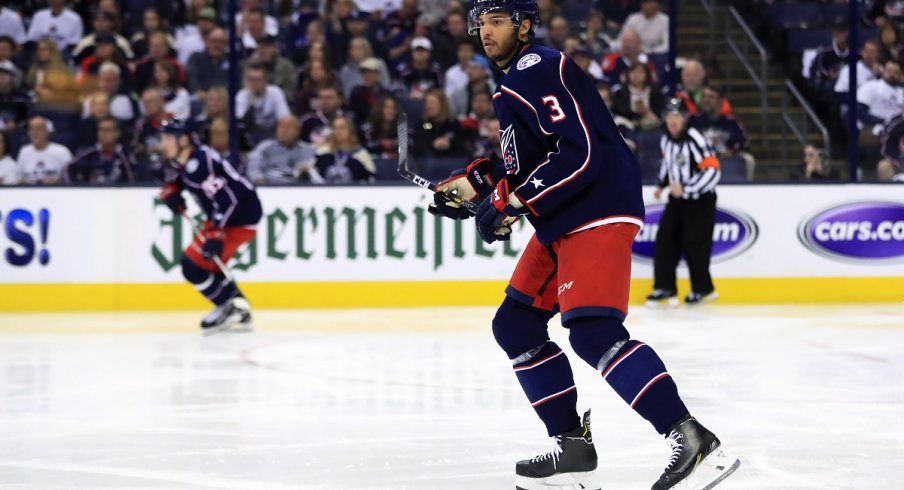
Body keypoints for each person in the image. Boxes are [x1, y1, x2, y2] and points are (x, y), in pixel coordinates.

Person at [429, 2, 738, 489]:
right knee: (516, 324)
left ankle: (692, 439)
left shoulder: (536, 66)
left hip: (595, 208)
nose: (485, 32)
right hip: (565, 217)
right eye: (480, 24)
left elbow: (580, 152)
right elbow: (530, 158)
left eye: (496, 21)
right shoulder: (515, 82)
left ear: (524, 25)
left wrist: (512, 202)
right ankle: (572, 444)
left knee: (593, 331)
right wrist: (477, 185)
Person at [157, 118, 262, 334]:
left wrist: (216, 231)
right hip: (228, 217)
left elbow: (229, 198)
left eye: (167, 138)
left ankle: (229, 307)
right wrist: (172, 190)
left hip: (241, 216)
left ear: (183, 140)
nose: (163, 143)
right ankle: (236, 307)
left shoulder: (201, 164)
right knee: (208, 264)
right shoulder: (186, 159)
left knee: (193, 266)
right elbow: (179, 177)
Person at [647, 98, 721, 307]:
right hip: (677, 200)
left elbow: (713, 170)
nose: (673, 120)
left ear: (685, 118)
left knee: (694, 243)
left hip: (700, 201)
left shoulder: (695, 139)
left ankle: (703, 289)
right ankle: (665, 287)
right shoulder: (666, 139)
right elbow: (667, 163)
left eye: (678, 115)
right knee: (664, 239)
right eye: (669, 116)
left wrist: (688, 188)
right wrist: (661, 184)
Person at [689, 86, 755, 180]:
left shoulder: (731, 122)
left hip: (726, 162)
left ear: (720, 101)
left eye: (711, 97)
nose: (706, 100)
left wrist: (732, 151)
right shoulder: (693, 120)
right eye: (704, 96)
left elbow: (745, 141)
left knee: (747, 159)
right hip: (700, 161)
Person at [65, 116, 138, 184]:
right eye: (101, 130)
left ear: (117, 133)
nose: (104, 134)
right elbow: (68, 169)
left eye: (108, 130)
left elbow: (132, 180)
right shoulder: (87, 153)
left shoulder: (125, 155)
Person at [246, 115, 317, 184]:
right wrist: (260, 181)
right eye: (281, 126)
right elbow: (253, 168)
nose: (284, 130)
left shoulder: (308, 150)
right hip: (269, 189)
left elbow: (312, 174)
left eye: (289, 127)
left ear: (298, 131)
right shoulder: (264, 147)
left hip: (300, 190)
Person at [312, 115, 376, 183]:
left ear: (350, 131)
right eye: (335, 128)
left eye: (342, 128)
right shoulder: (323, 152)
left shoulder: (361, 153)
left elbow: (371, 178)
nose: (338, 131)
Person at [17, 116, 73, 185]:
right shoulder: (24, 152)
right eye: (31, 129)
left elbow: (71, 178)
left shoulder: (62, 151)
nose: (35, 132)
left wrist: (59, 180)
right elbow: (18, 178)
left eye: (39, 128)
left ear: (47, 131)